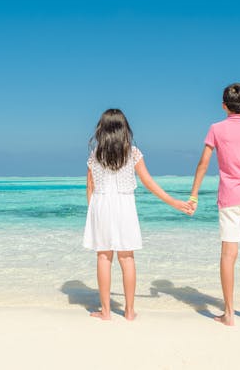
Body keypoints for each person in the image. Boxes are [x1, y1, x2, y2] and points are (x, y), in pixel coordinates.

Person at [84, 108, 194, 321]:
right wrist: (174, 202)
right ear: (124, 128)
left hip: (101, 205)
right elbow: (149, 183)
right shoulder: (132, 152)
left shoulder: (95, 154)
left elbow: (90, 186)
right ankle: (129, 311)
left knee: (103, 257)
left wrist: (93, 214)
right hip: (124, 206)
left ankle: (106, 312)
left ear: (102, 130)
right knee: (127, 258)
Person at [189, 83, 240, 328]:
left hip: (229, 197)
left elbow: (203, 164)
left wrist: (194, 194)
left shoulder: (216, 128)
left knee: (229, 254)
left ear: (224, 106)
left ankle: (229, 313)